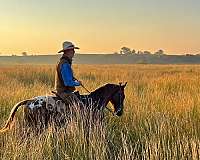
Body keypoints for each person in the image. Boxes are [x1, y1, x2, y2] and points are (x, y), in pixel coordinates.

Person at [54, 41, 81, 105]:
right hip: (64, 93)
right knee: (80, 107)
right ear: (67, 51)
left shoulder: (62, 62)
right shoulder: (65, 64)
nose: (74, 52)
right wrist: (78, 83)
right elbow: (67, 82)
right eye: (72, 50)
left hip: (61, 92)